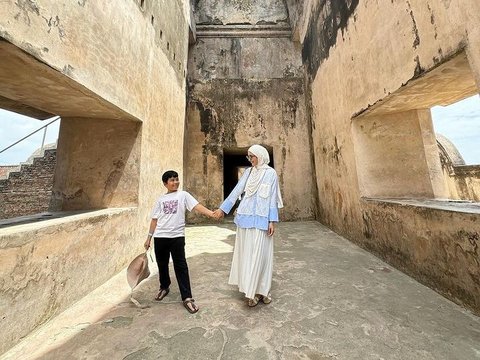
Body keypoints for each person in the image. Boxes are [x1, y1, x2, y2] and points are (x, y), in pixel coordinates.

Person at [213, 145, 283, 307]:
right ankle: (251, 292)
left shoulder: (270, 174)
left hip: (262, 220)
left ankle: (263, 290)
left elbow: (272, 198)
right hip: (244, 219)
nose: (250, 159)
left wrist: (271, 220)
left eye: (252, 156)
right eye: (249, 157)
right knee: (248, 255)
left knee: (261, 255)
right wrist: (223, 209)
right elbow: (237, 191)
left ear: (260, 155)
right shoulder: (249, 173)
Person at [144, 170, 215, 314]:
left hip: (177, 237)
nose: (175, 182)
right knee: (162, 264)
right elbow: (154, 220)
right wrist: (149, 238)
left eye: (176, 179)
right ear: (165, 184)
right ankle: (164, 287)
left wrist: (211, 214)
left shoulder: (183, 195)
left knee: (180, 265)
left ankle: (187, 297)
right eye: (172, 180)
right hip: (160, 236)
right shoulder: (160, 200)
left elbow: (196, 206)